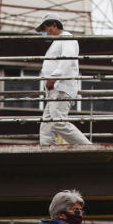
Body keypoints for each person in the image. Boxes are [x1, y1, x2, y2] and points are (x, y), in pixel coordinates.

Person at [36, 14, 91, 146]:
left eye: (45, 29)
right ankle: (47, 153)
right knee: (46, 127)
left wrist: (53, 78)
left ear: (53, 25)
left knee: (58, 122)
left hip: (61, 87)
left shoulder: (66, 37)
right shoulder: (58, 41)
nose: (45, 33)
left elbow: (68, 57)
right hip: (55, 89)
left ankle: (87, 148)